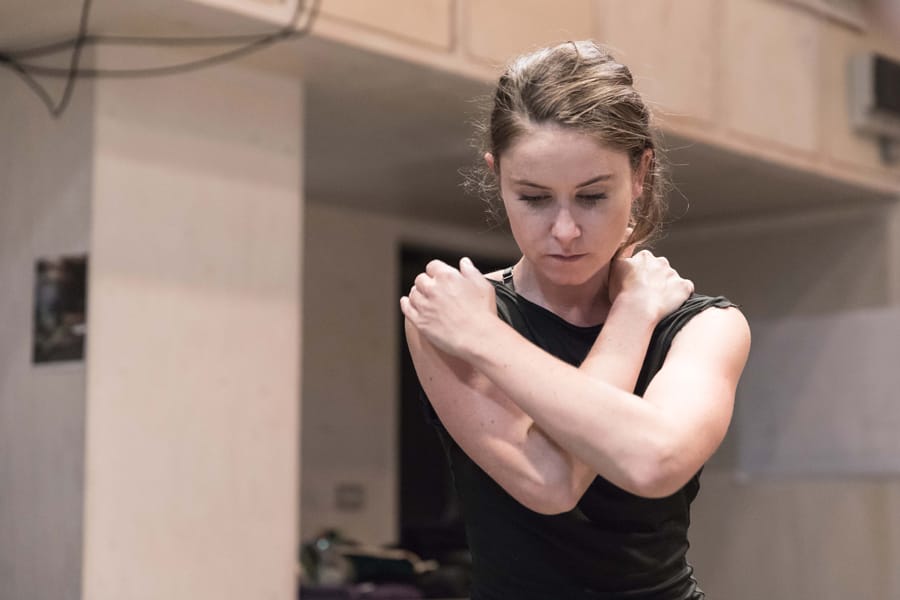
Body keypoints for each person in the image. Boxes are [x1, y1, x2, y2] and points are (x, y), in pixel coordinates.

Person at [399, 40, 750, 600]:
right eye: (534, 197)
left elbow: (652, 460)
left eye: (591, 196)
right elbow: (549, 481)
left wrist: (630, 315)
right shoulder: (446, 317)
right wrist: (632, 311)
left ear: (640, 173)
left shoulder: (703, 327)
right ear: (497, 177)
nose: (564, 230)